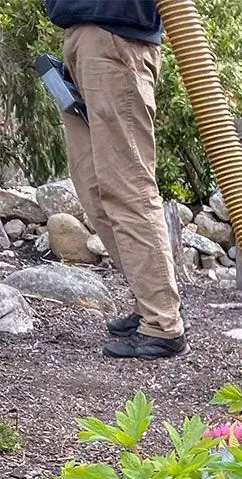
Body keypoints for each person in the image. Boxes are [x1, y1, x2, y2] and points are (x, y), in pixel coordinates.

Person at [44, 0, 187, 359]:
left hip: (118, 39)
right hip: (82, 37)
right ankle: (149, 304)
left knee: (129, 187)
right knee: (93, 187)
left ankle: (163, 324)